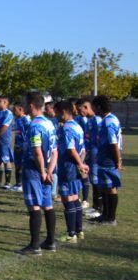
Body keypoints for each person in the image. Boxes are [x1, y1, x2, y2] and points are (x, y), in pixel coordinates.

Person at [16, 92, 58, 256]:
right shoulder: (49, 124)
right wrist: (50, 170)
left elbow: (37, 152)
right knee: (48, 205)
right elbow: (55, 151)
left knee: (34, 205)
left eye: (24, 104)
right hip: (48, 169)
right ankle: (50, 241)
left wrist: (41, 171)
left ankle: (34, 245)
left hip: (35, 170)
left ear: (31, 105)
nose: (23, 107)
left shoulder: (35, 126)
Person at [56, 101, 89, 243]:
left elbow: (71, 149)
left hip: (67, 166)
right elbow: (82, 149)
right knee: (75, 197)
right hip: (74, 165)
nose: (56, 115)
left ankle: (71, 234)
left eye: (57, 112)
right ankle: (79, 231)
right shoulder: (77, 126)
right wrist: (80, 163)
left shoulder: (67, 128)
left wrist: (79, 164)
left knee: (67, 198)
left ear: (63, 112)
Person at [90, 95, 123, 226]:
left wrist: (118, 160)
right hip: (104, 157)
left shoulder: (109, 122)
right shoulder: (107, 120)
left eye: (93, 107)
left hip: (109, 158)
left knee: (110, 188)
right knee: (104, 187)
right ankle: (104, 214)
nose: (93, 109)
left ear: (98, 107)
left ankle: (111, 217)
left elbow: (113, 143)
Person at [78, 97, 103, 219]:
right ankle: (95, 206)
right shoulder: (89, 120)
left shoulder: (97, 120)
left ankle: (99, 208)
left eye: (81, 109)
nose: (80, 112)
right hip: (89, 154)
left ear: (86, 107)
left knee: (96, 180)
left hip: (95, 155)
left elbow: (100, 139)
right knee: (93, 180)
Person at [10, 101, 31, 192]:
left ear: (21, 110)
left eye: (15, 110)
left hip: (24, 147)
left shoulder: (26, 120)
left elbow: (29, 134)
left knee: (23, 166)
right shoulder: (17, 120)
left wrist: (25, 145)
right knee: (17, 165)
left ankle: (23, 184)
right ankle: (18, 183)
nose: (13, 112)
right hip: (17, 145)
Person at [44, 101, 60, 199]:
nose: (45, 111)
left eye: (47, 109)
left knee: (54, 170)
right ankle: (50, 190)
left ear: (52, 109)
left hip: (56, 149)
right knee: (49, 169)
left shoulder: (58, 120)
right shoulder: (47, 120)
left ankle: (53, 191)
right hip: (49, 148)